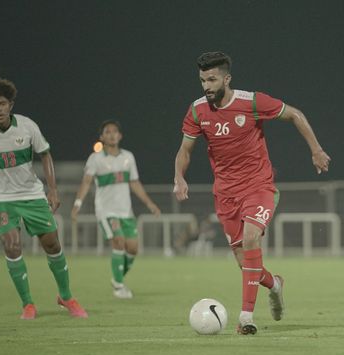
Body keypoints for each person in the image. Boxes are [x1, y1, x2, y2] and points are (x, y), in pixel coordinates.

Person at [173, 51, 330, 335]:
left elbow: (295, 114)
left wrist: (316, 150)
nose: (206, 85)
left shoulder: (251, 101)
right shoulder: (197, 110)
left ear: (226, 78)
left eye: (212, 79)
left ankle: (246, 317)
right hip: (225, 194)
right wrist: (179, 177)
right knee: (244, 262)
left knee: (250, 238)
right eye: (202, 80)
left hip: (259, 186)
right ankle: (275, 284)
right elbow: (185, 150)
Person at [0, 77, 87, 319]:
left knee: (52, 244)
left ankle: (65, 296)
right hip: (1, 198)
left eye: (2, 103)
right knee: (11, 245)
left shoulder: (27, 126)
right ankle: (27, 304)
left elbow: (45, 154)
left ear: (11, 105)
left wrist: (52, 189)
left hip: (32, 194)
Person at [71, 120, 161, 298]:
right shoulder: (95, 159)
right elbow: (86, 182)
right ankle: (119, 287)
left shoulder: (128, 157)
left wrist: (149, 203)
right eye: (107, 132)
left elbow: (134, 183)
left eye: (114, 132)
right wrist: (77, 204)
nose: (111, 134)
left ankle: (117, 278)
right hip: (106, 211)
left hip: (125, 211)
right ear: (102, 137)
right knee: (119, 241)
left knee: (133, 249)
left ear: (120, 136)